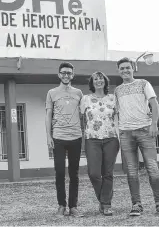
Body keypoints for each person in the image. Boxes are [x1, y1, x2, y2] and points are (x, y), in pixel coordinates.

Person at [114, 57, 159, 217]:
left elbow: (155, 104)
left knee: (152, 168)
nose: (125, 71)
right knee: (131, 171)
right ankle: (136, 205)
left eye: (128, 68)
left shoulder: (144, 83)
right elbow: (118, 111)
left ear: (133, 68)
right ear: (118, 71)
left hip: (145, 130)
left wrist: (154, 124)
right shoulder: (117, 90)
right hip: (126, 133)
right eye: (122, 68)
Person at [45, 62, 84, 218]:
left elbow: (83, 115)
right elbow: (48, 116)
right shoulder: (52, 93)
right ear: (59, 74)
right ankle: (62, 206)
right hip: (59, 137)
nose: (66, 75)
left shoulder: (79, 93)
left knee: (74, 174)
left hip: (76, 136)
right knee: (60, 173)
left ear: (72, 75)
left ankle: (73, 206)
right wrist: (48, 136)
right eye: (63, 72)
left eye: (69, 73)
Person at [80, 71, 119, 216]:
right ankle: (104, 200)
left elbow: (121, 116)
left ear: (105, 81)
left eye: (101, 78)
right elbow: (81, 119)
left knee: (107, 173)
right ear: (92, 83)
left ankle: (106, 204)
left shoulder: (113, 98)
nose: (99, 81)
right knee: (94, 173)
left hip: (111, 138)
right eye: (95, 79)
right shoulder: (85, 99)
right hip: (92, 139)